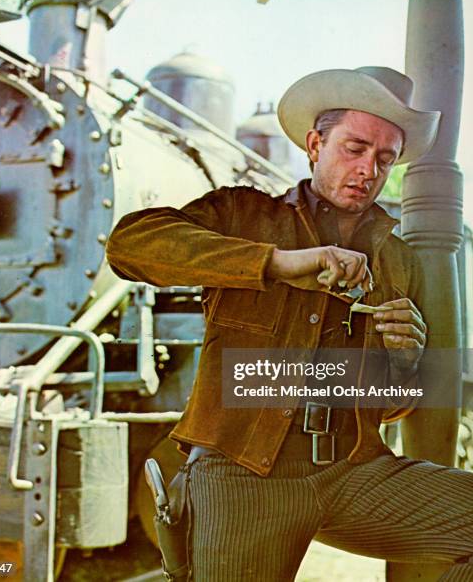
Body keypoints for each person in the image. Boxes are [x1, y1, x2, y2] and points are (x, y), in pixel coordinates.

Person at [106, 67, 473, 582]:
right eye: (355, 148)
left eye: (384, 159)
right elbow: (127, 245)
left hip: (355, 469)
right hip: (243, 473)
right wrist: (277, 263)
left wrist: (406, 361)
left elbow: (391, 408)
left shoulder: (398, 260)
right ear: (315, 143)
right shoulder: (242, 213)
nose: (369, 169)